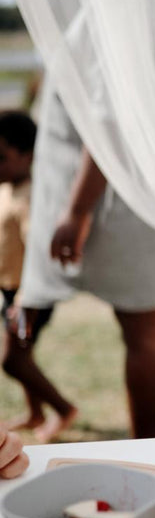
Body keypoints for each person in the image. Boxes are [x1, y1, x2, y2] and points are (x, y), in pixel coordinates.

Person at [20, 84, 155, 439]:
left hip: (132, 199)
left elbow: (111, 121)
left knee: (148, 332)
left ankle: (148, 446)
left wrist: (77, 210)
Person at [0, 110, 78, 442]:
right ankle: (36, 413)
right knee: (24, 354)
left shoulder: (32, 197)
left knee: (13, 360)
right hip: (10, 290)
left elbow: (38, 250)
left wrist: (24, 299)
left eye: (1, 157)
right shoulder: (7, 188)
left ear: (28, 156)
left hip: (29, 295)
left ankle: (64, 409)